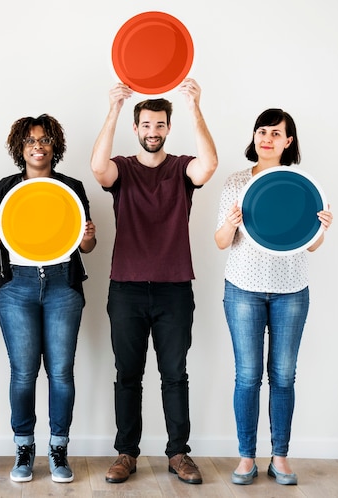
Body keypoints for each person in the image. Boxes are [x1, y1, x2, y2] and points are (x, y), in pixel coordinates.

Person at [90, 79, 218, 485]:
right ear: (136, 128)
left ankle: (179, 453)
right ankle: (126, 452)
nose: (153, 132)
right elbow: (98, 168)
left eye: (159, 125)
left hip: (174, 288)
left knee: (174, 374)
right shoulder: (123, 168)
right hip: (126, 288)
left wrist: (195, 106)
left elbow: (209, 165)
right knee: (128, 374)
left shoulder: (181, 167)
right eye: (146, 125)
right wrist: (112, 108)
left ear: (168, 128)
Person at [214, 108, 333, 486]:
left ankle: (279, 457)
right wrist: (231, 224)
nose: (267, 138)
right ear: (254, 137)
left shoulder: (301, 184)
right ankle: (246, 457)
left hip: (291, 291)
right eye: (261, 131)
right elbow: (220, 242)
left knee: (283, 376)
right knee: (247, 376)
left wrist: (322, 228)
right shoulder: (235, 182)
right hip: (242, 290)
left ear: (288, 141)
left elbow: (310, 246)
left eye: (275, 133)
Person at [0, 114, 96, 483]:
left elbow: (87, 246)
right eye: (30, 141)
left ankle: (59, 448)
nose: (37, 146)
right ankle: (25, 448)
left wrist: (88, 235)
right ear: (20, 147)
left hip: (63, 284)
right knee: (24, 373)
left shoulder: (72, 187)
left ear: (54, 147)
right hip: (16, 287)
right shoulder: (4, 188)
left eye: (45, 140)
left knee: (61, 373)